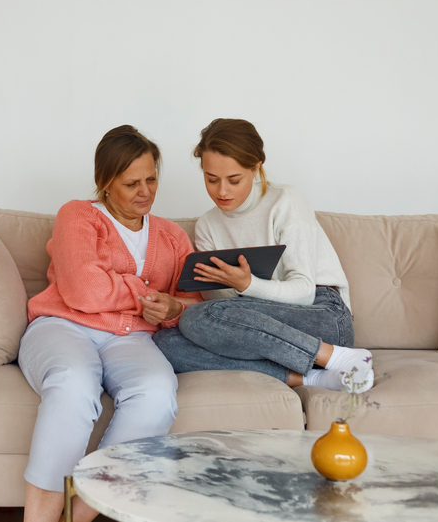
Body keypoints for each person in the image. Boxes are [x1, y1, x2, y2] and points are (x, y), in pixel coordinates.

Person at [19, 125, 201, 522]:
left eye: (152, 179)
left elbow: (193, 305)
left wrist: (171, 308)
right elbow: (84, 292)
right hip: (63, 326)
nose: (145, 191)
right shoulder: (78, 215)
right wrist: (146, 293)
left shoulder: (171, 236)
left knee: (156, 393)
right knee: (72, 383)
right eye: (131, 182)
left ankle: (75, 518)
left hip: (132, 339)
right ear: (105, 182)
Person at [151, 118, 375, 394]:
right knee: (165, 343)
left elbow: (304, 292)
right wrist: (229, 288)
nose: (222, 191)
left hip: (322, 315)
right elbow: (228, 313)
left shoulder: (285, 201)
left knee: (195, 318)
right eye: (212, 179)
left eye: (234, 180)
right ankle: (310, 378)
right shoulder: (207, 227)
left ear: (256, 168)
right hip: (260, 329)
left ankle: (338, 357)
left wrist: (247, 284)